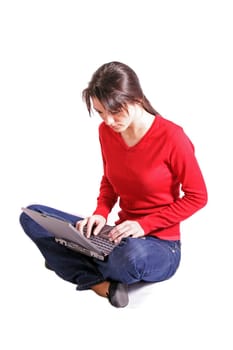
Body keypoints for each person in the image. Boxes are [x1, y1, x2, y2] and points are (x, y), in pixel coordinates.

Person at [19, 61, 208, 308]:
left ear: (137, 99)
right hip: (116, 236)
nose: (108, 120)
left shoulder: (172, 137)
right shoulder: (106, 132)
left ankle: (66, 260)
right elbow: (109, 179)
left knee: (130, 258)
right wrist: (100, 213)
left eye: (115, 111)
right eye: (99, 112)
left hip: (159, 246)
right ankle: (102, 283)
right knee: (32, 216)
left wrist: (144, 225)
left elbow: (198, 196)